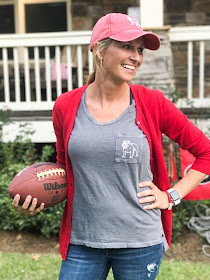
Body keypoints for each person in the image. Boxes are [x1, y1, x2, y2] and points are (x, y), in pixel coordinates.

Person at [12, 13, 210, 280]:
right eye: (127, 46)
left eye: (140, 50)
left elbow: (205, 153)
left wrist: (171, 196)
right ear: (99, 49)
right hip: (82, 243)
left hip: (140, 242)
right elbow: (63, 172)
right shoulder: (66, 106)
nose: (136, 57)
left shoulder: (152, 103)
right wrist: (37, 198)